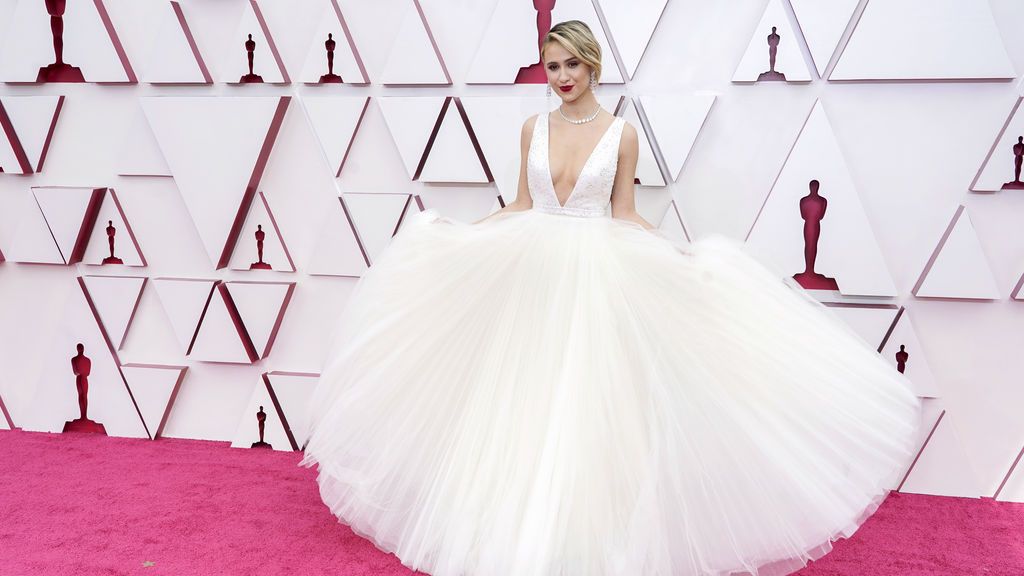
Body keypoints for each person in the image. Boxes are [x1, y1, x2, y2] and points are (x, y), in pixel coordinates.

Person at [299, 19, 922, 576]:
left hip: (595, 275)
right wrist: (460, 238)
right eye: (552, 66)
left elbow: (623, 213)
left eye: (571, 64)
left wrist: (680, 255)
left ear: (592, 64)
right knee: (518, 398)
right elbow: (520, 204)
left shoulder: (621, 134)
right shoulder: (530, 128)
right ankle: (508, 527)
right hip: (528, 270)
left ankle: (581, 538)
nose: (562, 77)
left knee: (586, 406)